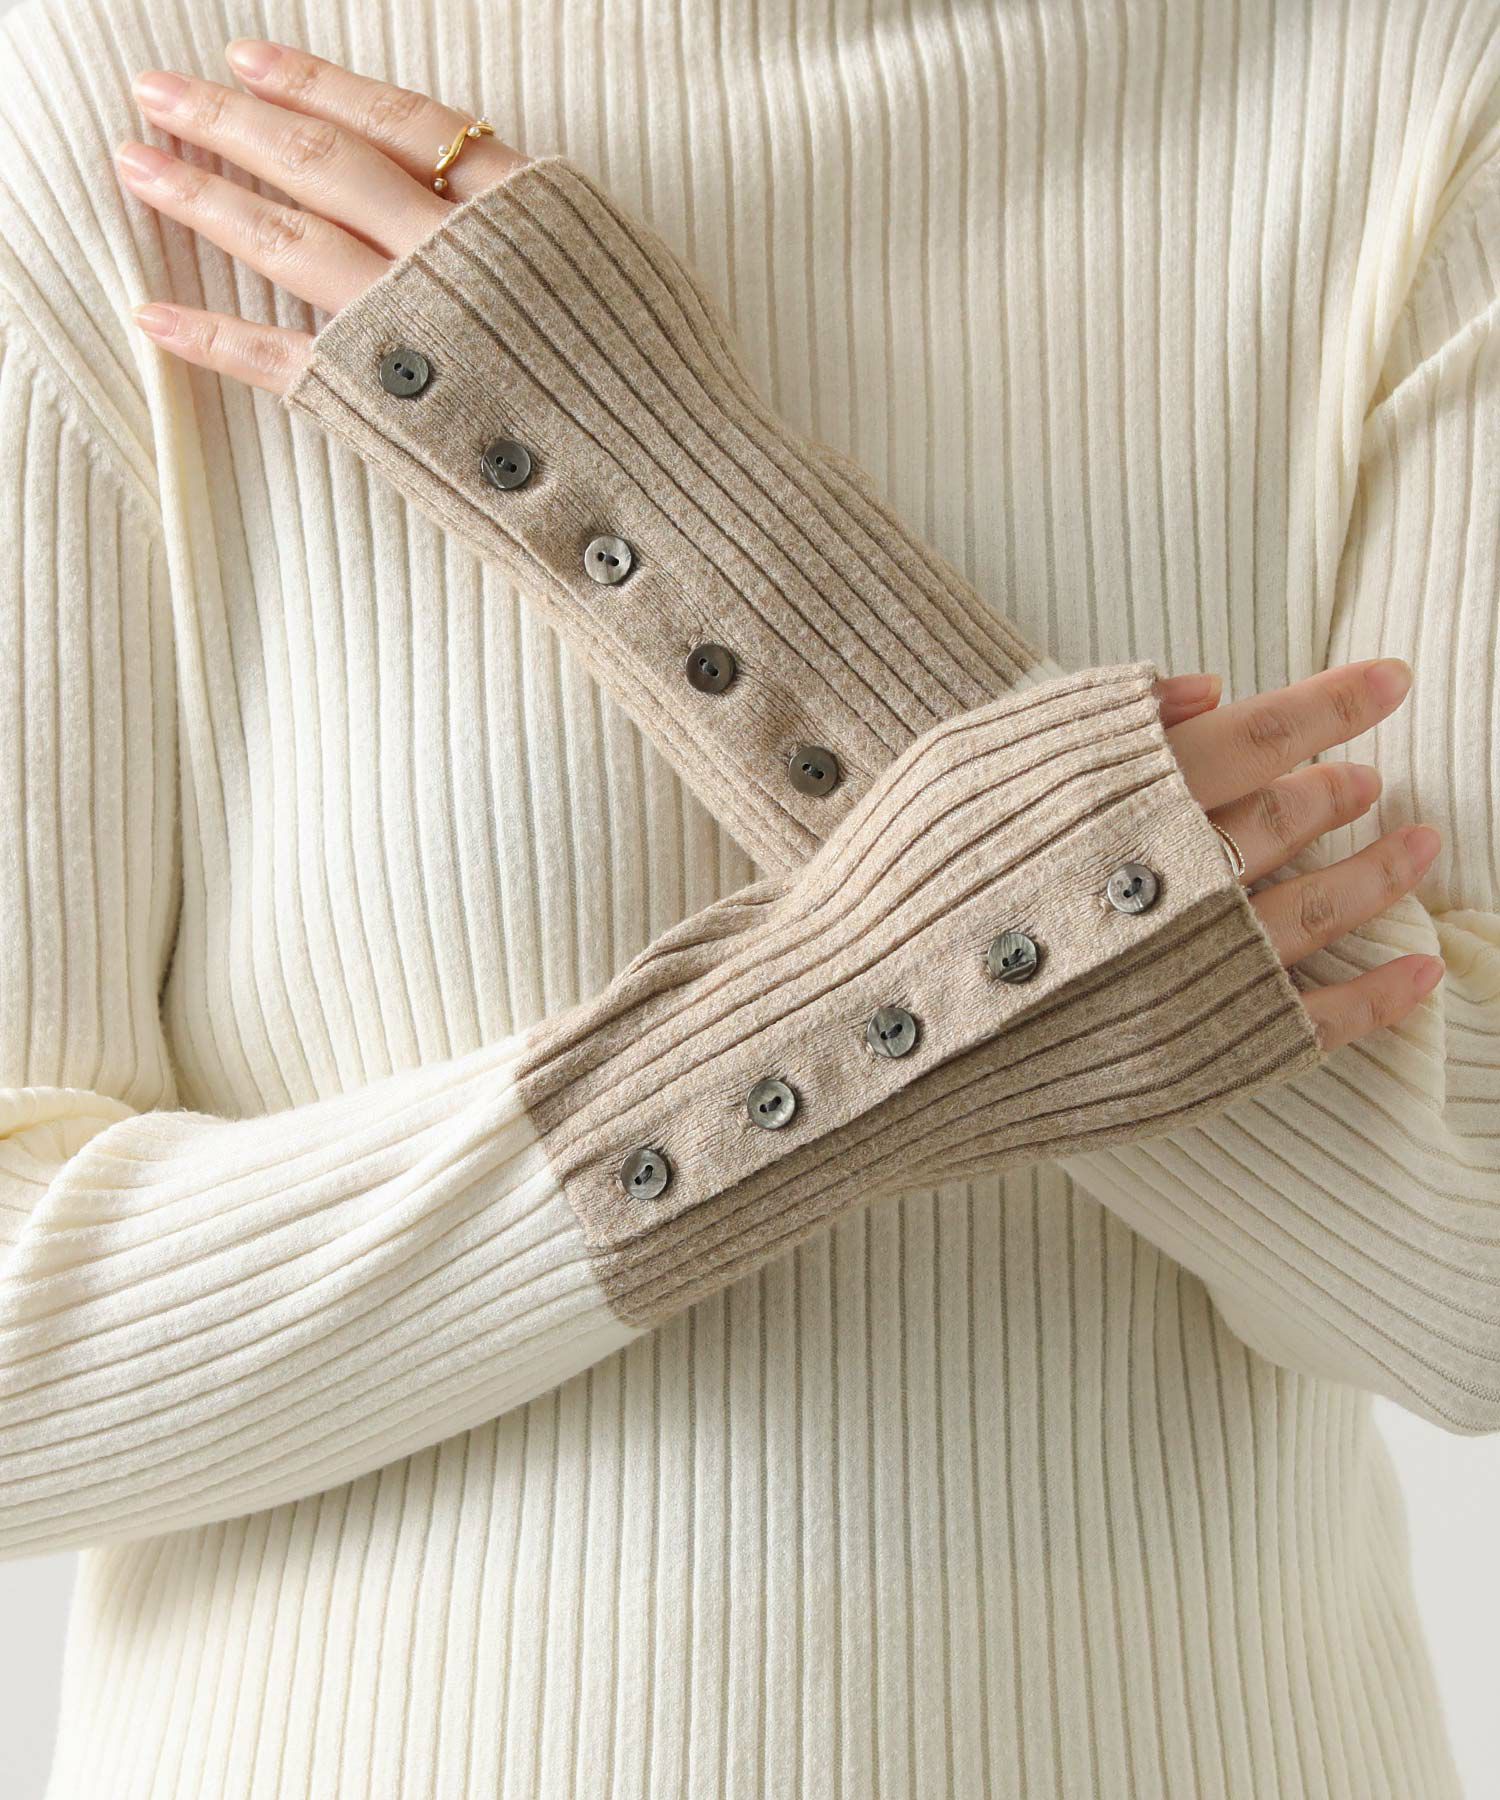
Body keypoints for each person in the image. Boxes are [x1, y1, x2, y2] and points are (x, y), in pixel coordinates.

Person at [0, 4, 1495, 1796]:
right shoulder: (126, 91)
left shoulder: (1421, 89)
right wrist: (851, 1004)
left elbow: (1465, 1288)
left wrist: (638, 484)